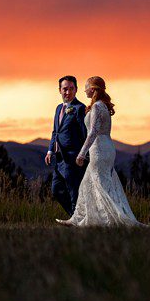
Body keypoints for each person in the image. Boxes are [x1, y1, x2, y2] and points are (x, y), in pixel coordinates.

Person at [56, 76, 144, 227]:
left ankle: (113, 220)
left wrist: (82, 153)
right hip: (107, 146)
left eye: (86, 87)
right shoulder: (103, 105)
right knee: (87, 184)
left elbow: (93, 132)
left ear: (92, 89)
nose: (84, 90)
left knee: (101, 186)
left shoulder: (97, 106)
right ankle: (79, 219)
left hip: (99, 148)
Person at [46, 75, 88, 215]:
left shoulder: (79, 108)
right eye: (65, 89)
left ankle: (79, 221)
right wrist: (50, 151)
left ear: (76, 90)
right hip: (59, 158)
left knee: (74, 191)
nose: (68, 92)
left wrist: (83, 154)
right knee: (56, 190)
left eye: (71, 89)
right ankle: (75, 217)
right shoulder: (58, 108)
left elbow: (85, 133)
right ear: (59, 90)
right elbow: (55, 132)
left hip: (73, 158)